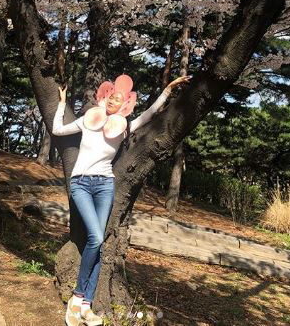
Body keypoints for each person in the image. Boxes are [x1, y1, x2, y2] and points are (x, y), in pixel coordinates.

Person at [53, 74, 191, 326]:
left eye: (118, 100)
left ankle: (86, 306)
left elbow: (150, 113)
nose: (112, 101)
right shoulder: (87, 120)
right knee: (95, 237)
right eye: (109, 97)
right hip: (81, 184)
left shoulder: (125, 125)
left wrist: (168, 90)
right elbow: (57, 130)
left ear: (123, 106)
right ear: (103, 98)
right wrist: (62, 103)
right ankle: (77, 297)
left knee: (101, 244)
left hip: (104, 185)